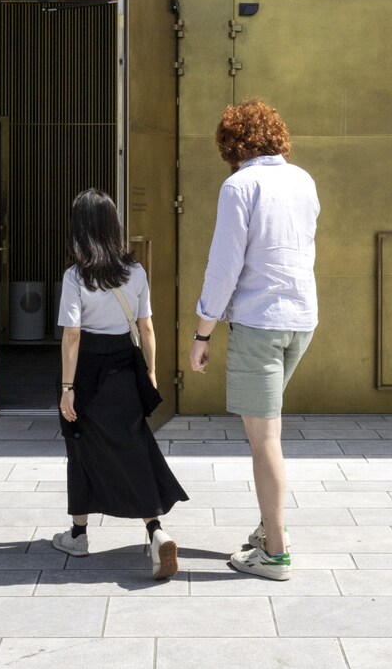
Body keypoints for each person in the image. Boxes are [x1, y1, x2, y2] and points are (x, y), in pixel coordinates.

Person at [189, 99, 319, 581]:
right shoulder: (303, 180)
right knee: (269, 433)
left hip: (259, 323)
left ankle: (276, 552)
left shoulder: (239, 185)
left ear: (231, 143)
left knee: (264, 440)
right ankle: (269, 529)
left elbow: (225, 266)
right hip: (301, 319)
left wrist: (204, 330)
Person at [51, 188, 188, 581]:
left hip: (86, 373)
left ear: (80, 229)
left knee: (80, 448)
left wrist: (66, 388)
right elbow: (146, 327)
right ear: (113, 226)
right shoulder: (136, 272)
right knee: (134, 448)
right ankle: (155, 531)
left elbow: (72, 334)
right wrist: (151, 371)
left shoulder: (76, 276)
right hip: (126, 368)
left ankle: (78, 535)